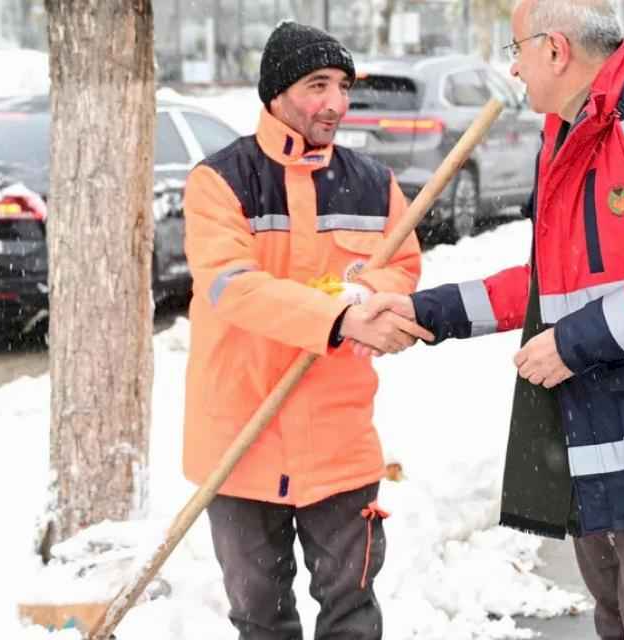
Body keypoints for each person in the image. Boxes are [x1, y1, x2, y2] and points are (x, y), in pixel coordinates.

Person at [371, 0, 624, 637]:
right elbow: (554, 284)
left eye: (515, 51)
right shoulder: (574, 130)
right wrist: (430, 312)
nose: (511, 71)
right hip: (604, 424)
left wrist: (571, 344)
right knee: (618, 619)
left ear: (555, 50)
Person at [181, 21, 431, 639]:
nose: (336, 103)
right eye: (318, 84)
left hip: (338, 440)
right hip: (242, 438)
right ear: (275, 92)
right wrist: (339, 316)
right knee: (260, 619)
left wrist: (370, 297)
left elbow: (403, 267)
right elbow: (232, 288)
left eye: (343, 85)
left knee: (352, 616)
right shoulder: (220, 182)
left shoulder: (373, 184)